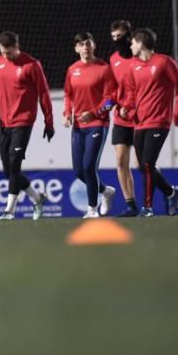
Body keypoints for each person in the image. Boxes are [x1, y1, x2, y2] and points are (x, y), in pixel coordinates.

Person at [0, 31, 54, 221]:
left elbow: (44, 94)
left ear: (17, 46)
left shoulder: (32, 65)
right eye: (3, 53)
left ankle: (9, 211)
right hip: (4, 122)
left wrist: (48, 122)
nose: (6, 56)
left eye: (9, 53)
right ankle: (37, 198)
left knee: (15, 162)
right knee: (9, 170)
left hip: (23, 121)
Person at [119, 27, 178, 217]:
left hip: (159, 122)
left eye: (132, 42)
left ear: (140, 43)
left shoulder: (164, 62)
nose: (130, 45)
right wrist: (127, 107)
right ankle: (171, 193)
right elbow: (132, 93)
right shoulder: (132, 66)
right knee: (142, 167)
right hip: (139, 123)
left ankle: (148, 207)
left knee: (148, 164)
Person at [63, 32, 118, 218]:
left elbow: (112, 98)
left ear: (93, 46)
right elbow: (68, 95)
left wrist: (94, 112)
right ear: (76, 48)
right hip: (78, 126)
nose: (85, 47)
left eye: (88, 43)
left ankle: (92, 209)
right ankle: (106, 191)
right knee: (79, 171)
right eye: (81, 44)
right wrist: (66, 114)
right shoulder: (72, 70)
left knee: (88, 167)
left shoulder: (103, 68)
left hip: (98, 123)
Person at [108, 19, 140, 217]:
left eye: (120, 37)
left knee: (143, 164)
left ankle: (168, 193)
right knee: (120, 161)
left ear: (129, 37)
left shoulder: (140, 58)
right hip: (120, 118)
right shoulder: (113, 60)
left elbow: (144, 90)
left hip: (140, 118)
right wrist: (105, 107)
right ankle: (131, 205)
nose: (117, 41)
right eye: (113, 37)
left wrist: (130, 107)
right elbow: (113, 90)